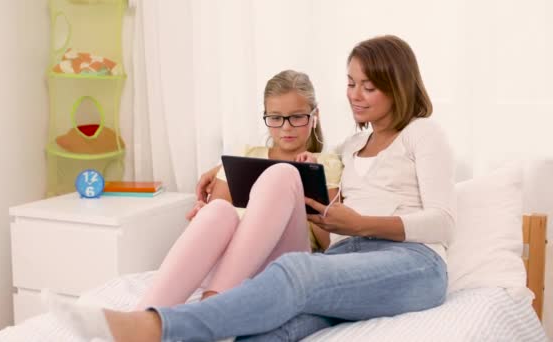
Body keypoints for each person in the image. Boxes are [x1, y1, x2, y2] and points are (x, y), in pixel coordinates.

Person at [49, 35, 455, 342]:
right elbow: (302, 179)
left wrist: (360, 223)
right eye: (350, 83)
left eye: (369, 86)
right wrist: (219, 169)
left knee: (298, 272)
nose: (355, 96)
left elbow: (443, 223)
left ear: (397, 86)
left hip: (413, 262)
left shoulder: (422, 133)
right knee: (269, 330)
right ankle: (183, 322)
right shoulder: (350, 147)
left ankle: (153, 325)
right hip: (347, 258)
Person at [132, 69, 342, 310]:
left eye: (296, 117)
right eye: (275, 118)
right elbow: (215, 215)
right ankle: (143, 318)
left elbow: (332, 245)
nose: (286, 127)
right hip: (227, 265)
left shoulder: (328, 163)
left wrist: (308, 184)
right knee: (218, 210)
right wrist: (202, 212)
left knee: (283, 174)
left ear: (314, 116)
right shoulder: (245, 155)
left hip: (283, 261)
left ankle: (211, 308)